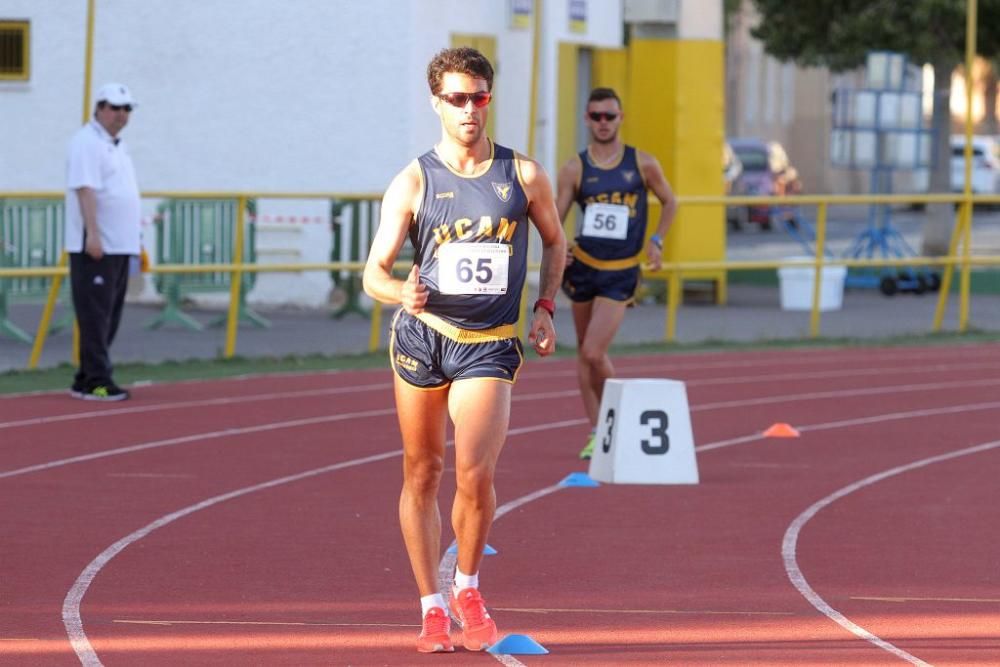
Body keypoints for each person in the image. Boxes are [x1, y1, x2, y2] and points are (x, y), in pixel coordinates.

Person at [363, 47, 566, 654]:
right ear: (437, 103)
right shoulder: (415, 180)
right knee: (422, 471)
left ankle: (469, 586)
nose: (470, 109)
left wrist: (546, 307)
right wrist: (401, 288)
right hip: (424, 339)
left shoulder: (523, 176)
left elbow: (557, 245)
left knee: (475, 475)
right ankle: (430, 606)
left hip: (488, 345)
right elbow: (372, 272)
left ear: (489, 99)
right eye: (457, 99)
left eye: (479, 97)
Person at [555, 87, 677, 459]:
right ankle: (598, 432)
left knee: (594, 351)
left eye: (610, 116)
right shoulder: (575, 168)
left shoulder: (642, 163)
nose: (603, 123)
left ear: (621, 117)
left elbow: (669, 200)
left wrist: (656, 239)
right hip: (584, 269)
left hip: (621, 272)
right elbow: (553, 220)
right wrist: (562, 249)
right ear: (587, 119)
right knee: (583, 353)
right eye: (596, 116)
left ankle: (624, 412)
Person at [64, 82, 142, 401]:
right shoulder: (87, 142)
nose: (120, 114)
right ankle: (97, 378)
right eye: (114, 107)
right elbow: (86, 189)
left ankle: (86, 377)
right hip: (99, 244)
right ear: (99, 108)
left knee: (108, 313)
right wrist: (93, 235)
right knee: (96, 314)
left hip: (119, 244)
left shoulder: (116, 145)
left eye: (126, 109)